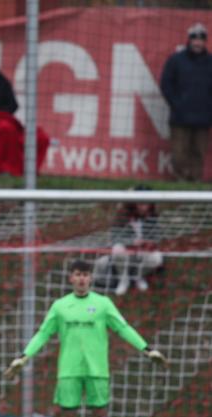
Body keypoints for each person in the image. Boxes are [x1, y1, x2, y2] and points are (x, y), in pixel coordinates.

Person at [5, 259, 168, 417]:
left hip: (97, 371)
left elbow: (123, 328)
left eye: (85, 274)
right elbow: (43, 334)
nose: (81, 278)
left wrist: (147, 349)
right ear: (71, 278)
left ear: (91, 278)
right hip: (69, 371)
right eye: (77, 274)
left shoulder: (103, 304)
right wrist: (23, 356)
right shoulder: (60, 306)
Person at [160, 23, 211, 182]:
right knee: (179, 153)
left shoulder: (210, 62)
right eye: (194, 38)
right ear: (189, 40)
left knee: (198, 153)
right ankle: (181, 182)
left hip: (203, 118)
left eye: (201, 39)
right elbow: (166, 84)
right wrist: (177, 104)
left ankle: (195, 183)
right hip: (180, 117)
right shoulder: (176, 60)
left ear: (205, 41)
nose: (197, 42)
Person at [94, 200, 163, 297]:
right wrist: (132, 242)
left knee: (157, 258)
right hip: (126, 252)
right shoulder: (122, 217)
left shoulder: (152, 217)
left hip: (142, 252)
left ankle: (137, 276)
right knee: (117, 249)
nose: (144, 207)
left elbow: (157, 237)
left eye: (147, 204)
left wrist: (149, 243)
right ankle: (123, 279)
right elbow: (114, 238)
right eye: (141, 204)